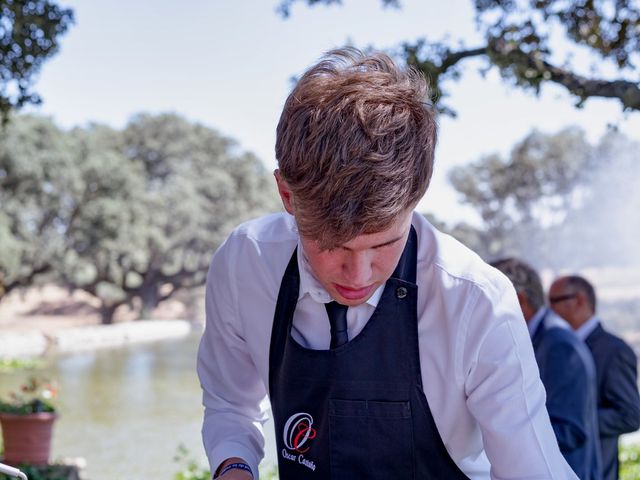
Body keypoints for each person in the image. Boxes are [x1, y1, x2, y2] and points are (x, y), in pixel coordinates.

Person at [197, 47, 577, 479]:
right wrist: (233, 466)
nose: (358, 277)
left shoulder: (476, 301)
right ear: (286, 196)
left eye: (383, 244)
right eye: (331, 244)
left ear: (417, 197)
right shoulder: (245, 263)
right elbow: (230, 403)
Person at [491, 258, 602, 479]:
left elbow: (569, 430)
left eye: (487, 300)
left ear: (519, 300)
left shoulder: (558, 345)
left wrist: (493, 433)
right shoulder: (545, 338)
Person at [549, 275, 640, 480]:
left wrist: (577, 421)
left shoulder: (614, 350)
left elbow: (630, 416)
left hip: (595, 471)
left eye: (555, 301)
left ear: (580, 300)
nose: (549, 309)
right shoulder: (555, 346)